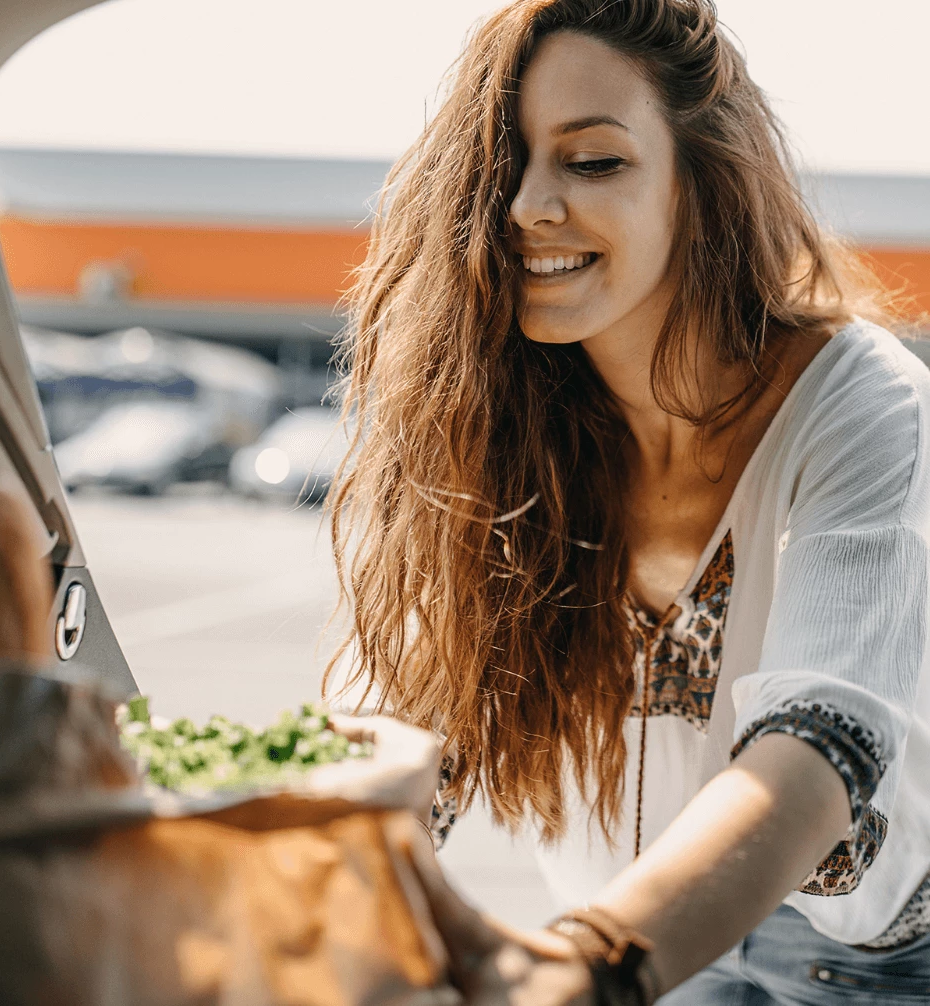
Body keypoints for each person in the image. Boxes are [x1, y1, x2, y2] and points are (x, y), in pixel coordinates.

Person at [326, 0, 930, 1002]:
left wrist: (588, 961)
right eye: (502, 165)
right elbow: (396, 725)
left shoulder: (860, 404)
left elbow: (818, 747)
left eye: (591, 162)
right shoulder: (487, 421)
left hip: (857, 963)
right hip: (627, 929)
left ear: (702, 180)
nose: (523, 207)